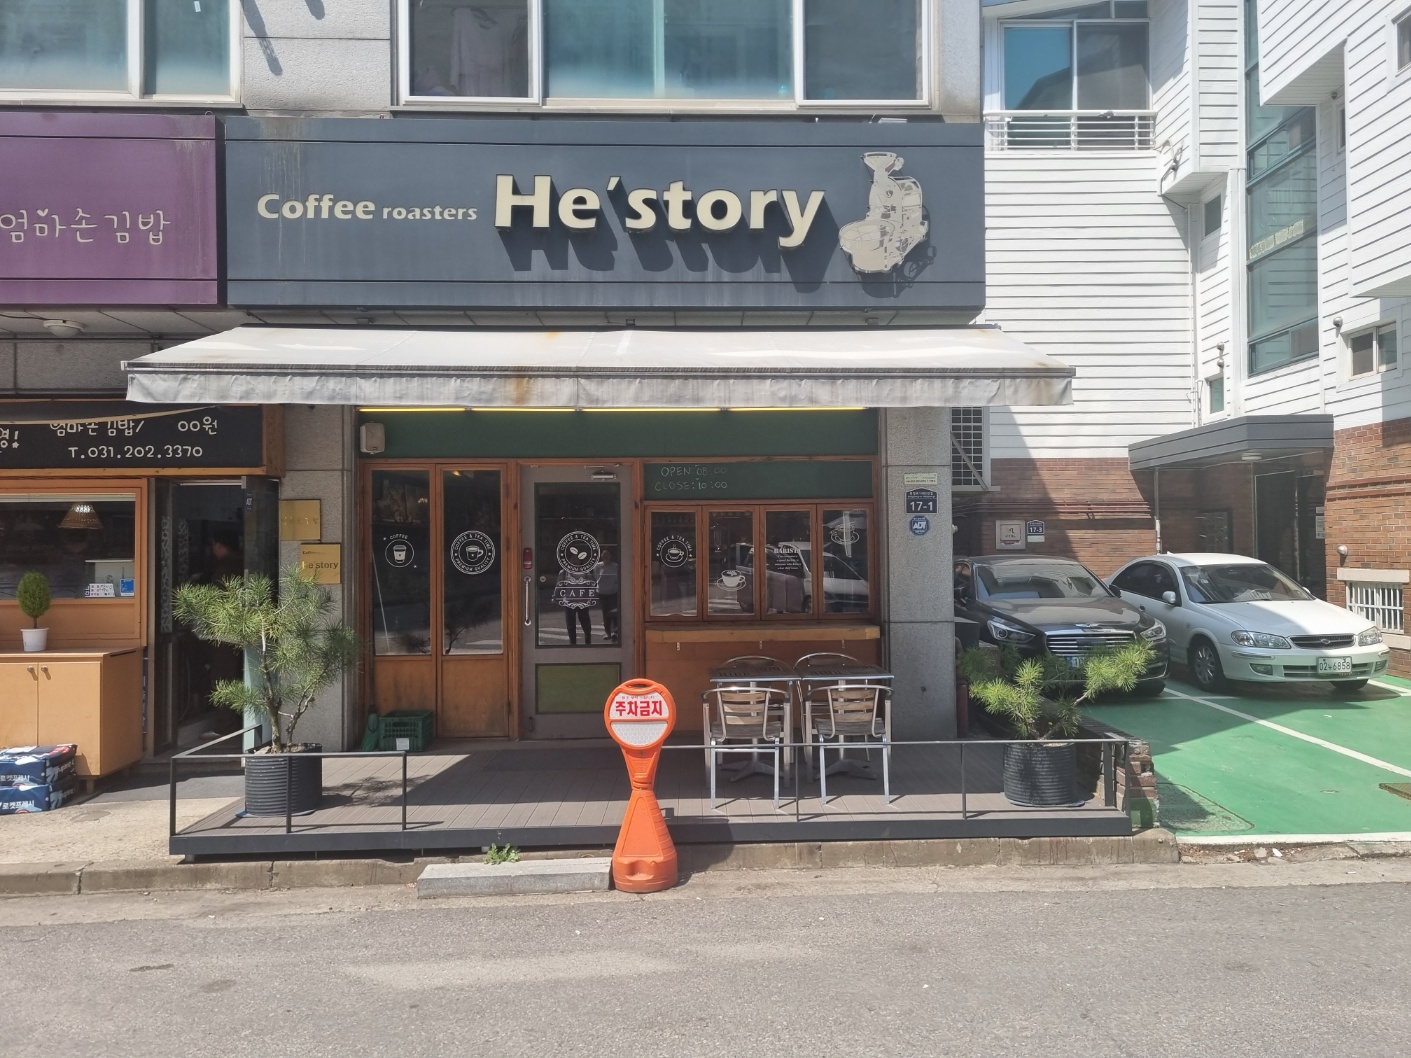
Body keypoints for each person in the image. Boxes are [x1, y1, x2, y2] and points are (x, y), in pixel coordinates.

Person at [595, 548, 620, 641]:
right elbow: (595, 577)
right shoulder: (598, 566)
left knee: (614, 613)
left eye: (607, 554)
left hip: (613, 592)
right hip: (602, 593)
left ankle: (615, 632)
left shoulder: (616, 566)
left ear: (611, 556)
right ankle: (607, 632)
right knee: (605, 613)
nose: (605, 556)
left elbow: (618, 579)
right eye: (603, 554)